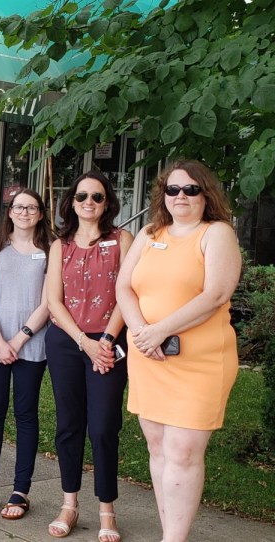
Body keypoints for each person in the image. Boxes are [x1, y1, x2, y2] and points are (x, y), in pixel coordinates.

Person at [115, 160, 240, 542]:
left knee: (183, 452)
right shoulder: (149, 233)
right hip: (148, 357)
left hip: (198, 361)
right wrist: (140, 333)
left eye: (190, 190)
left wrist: (159, 331)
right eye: (173, 189)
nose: (181, 196)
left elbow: (216, 293)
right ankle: (171, 532)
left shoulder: (216, 233)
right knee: (158, 448)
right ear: (163, 195)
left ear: (206, 195)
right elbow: (124, 288)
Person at [45, 171, 133, 542]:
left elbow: (128, 293)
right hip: (68, 341)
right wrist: (84, 341)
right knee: (69, 425)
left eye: (97, 197)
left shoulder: (122, 239)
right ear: (72, 201)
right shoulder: (59, 245)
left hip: (109, 342)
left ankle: (107, 510)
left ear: (107, 202)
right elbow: (53, 300)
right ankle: (69, 503)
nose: (89, 203)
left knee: (102, 427)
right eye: (82, 196)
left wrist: (107, 341)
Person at [0, 188, 53, 520]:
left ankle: (21, 490)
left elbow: (49, 303)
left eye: (32, 208)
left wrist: (18, 340)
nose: (24, 212)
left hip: (31, 344)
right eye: (19, 207)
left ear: (41, 214)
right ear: (9, 211)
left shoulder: (50, 251)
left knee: (25, 415)